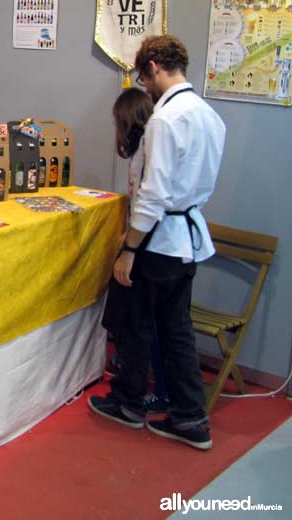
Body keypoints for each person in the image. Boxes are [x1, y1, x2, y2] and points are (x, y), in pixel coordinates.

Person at [89, 35, 226, 451]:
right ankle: (190, 417)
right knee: (177, 330)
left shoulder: (166, 120)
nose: (143, 86)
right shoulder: (207, 114)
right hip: (187, 239)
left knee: (136, 325)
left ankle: (129, 404)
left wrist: (129, 249)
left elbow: (154, 194)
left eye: (142, 77)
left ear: (153, 67)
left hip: (159, 239)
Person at [102, 88, 168, 414]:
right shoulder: (142, 150)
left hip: (147, 247)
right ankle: (134, 376)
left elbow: (148, 201)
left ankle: (136, 392)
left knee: (142, 322)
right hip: (147, 243)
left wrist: (130, 243)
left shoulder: (148, 150)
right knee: (141, 320)